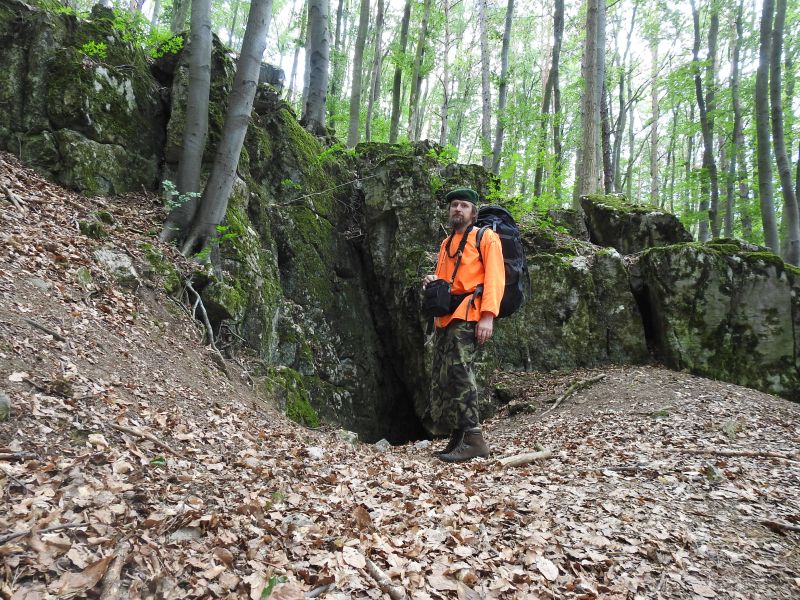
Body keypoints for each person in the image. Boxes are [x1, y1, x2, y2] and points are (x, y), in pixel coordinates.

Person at [422, 188, 505, 462]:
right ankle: (457, 438)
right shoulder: (446, 244)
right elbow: (448, 282)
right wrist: (433, 283)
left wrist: (488, 315)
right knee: (446, 377)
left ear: (473, 212)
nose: (458, 209)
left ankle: (474, 438)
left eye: (464, 205)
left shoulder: (486, 237)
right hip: (446, 317)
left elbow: (495, 277)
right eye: (454, 205)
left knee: (461, 373)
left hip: (470, 314)